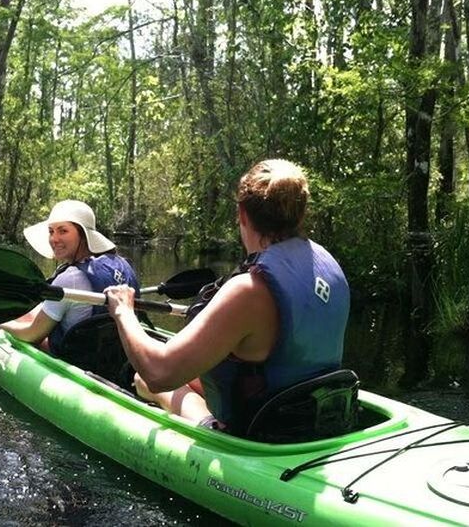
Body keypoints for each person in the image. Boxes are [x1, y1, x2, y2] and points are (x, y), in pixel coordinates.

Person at [104, 159, 350, 436]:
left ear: (242, 214)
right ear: (301, 213)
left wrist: (123, 311)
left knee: (143, 380)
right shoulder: (328, 265)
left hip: (263, 433)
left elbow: (159, 373)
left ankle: (210, 426)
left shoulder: (248, 290)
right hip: (316, 410)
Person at [0, 199, 139, 354]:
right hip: (116, 355)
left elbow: (33, 335)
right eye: (51, 231)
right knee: (29, 312)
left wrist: (0, 325)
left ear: (84, 236)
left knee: (24, 322)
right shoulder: (123, 265)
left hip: (81, 358)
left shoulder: (70, 278)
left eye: (63, 231)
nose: (54, 239)